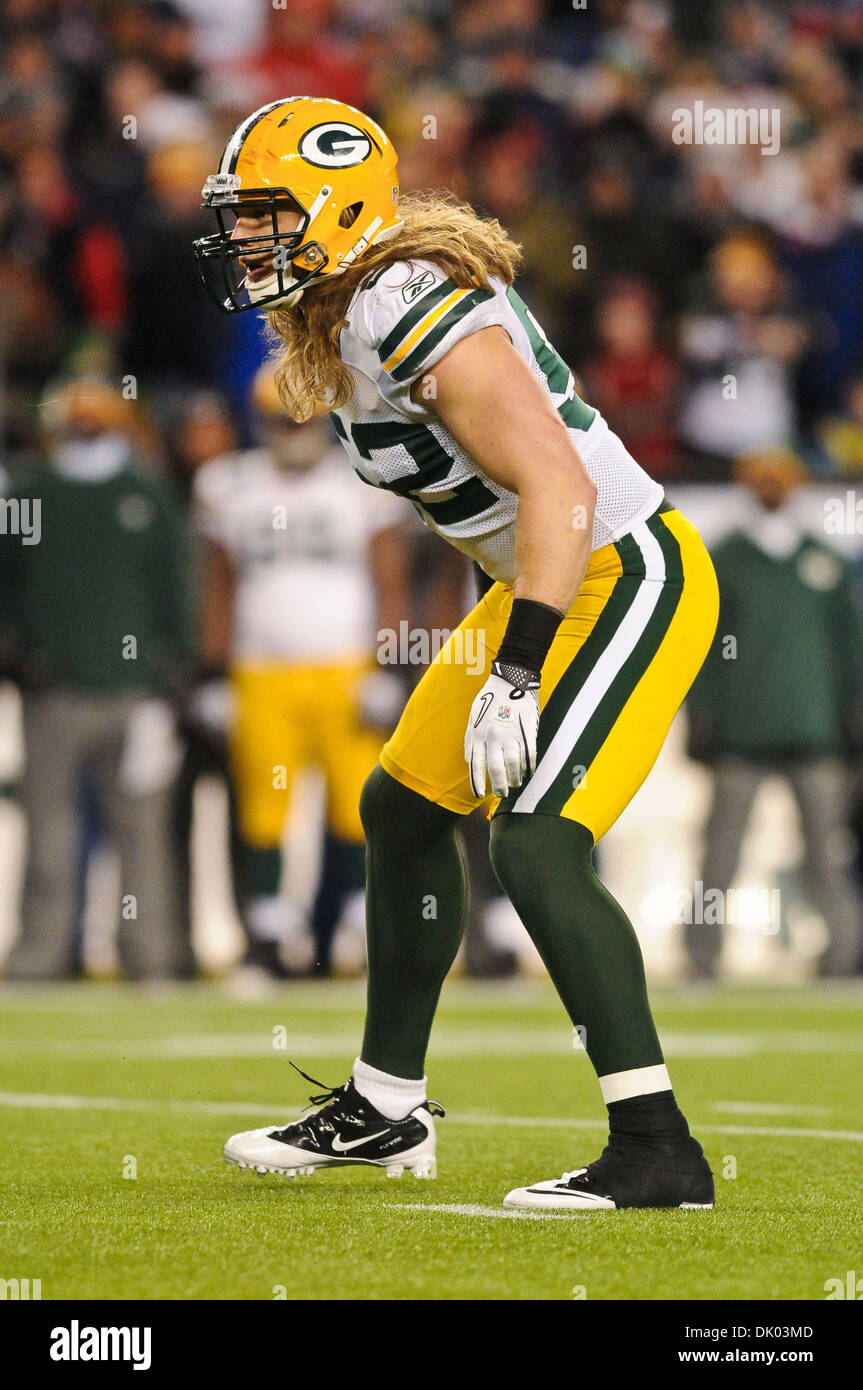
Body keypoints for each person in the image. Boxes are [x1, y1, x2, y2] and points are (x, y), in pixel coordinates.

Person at [193, 97, 719, 1212]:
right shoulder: (346, 307)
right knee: (400, 810)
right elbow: (293, 394)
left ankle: (655, 1143)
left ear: (334, 210)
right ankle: (385, 1107)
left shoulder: (401, 293)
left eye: (263, 217)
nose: (244, 244)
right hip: (532, 579)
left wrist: (518, 668)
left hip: (616, 569)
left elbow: (561, 488)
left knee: (532, 843)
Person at [194, 364, 406, 978]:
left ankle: (362, 937)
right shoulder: (228, 484)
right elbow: (218, 586)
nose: (292, 432)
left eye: (302, 419)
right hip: (262, 670)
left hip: (344, 667)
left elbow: (388, 582)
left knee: (359, 808)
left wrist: (387, 665)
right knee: (264, 810)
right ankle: (266, 942)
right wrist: (212, 673)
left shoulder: (362, 484)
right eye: (280, 420)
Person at [0, 379, 191, 980]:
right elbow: (6, 582)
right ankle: (40, 957)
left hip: (136, 694)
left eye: (95, 418)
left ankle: (151, 959)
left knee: (141, 836)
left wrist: (176, 672)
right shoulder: (29, 492)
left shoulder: (147, 492)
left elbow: (177, 585)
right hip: (54, 691)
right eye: (76, 418)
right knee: (49, 836)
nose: (85, 428)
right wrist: (15, 652)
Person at [687, 446, 863, 979]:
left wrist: (852, 716)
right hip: (741, 730)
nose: (770, 486)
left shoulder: (824, 562)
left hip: (816, 729)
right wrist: (701, 716)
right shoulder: (725, 559)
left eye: (779, 477)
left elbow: (849, 649)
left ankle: (843, 954)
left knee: (826, 853)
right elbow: (701, 647)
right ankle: (703, 958)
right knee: (720, 853)